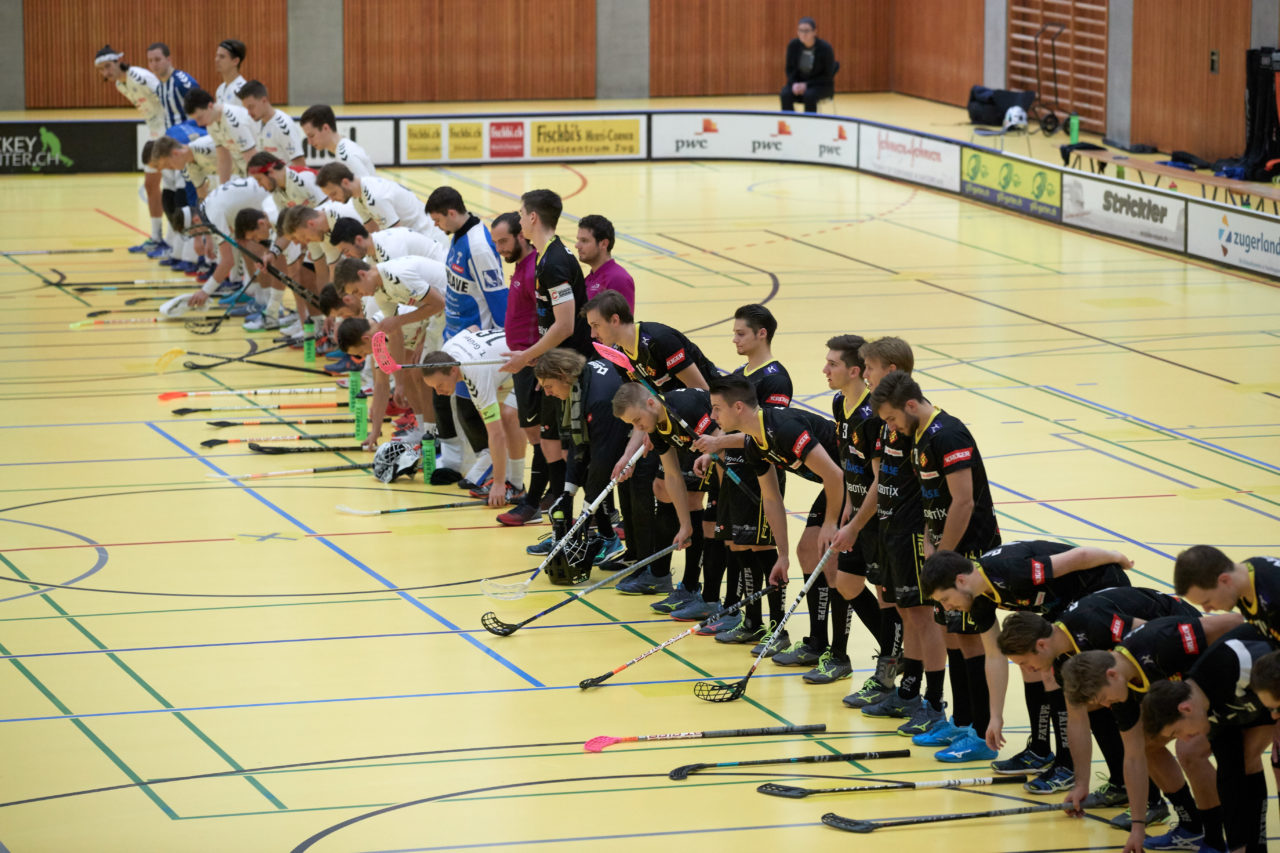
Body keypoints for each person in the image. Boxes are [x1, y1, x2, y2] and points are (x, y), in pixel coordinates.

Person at [923, 542, 1133, 789]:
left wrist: (1117, 556)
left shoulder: (1010, 570)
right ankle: (1040, 750)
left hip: (1099, 587)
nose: (947, 608)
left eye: (946, 599)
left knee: (1067, 677)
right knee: (1030, 662)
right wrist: (996, 717)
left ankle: (1070, 765)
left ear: (960, 580)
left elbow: (1081, 555)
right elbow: (994, 656)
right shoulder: (977, 597)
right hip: (1062, 603)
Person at [873, 369, 1001, 760]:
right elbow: (935, 500)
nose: (892, 427)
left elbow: (962, 501)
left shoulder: (947, 434)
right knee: (951, 636)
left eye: (893, 418)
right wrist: (931, 539)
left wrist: (943, 555)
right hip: (945, 553)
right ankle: (960, 722)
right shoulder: (919, 435)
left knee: (972, 639)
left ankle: (979, 734)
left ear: (911, 405)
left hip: (968, 555)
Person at [999, 587, 1206, 813]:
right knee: (1099, 707)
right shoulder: (1062, 663)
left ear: (1041, 645)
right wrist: (1081, 784)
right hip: (1134, 665)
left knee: (1158, 741)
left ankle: (1166, 806)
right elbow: (1076, 719)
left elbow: (1152, 635)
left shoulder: (1092, 622)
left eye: (1023, 662)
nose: (1027, 669)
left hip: (1178, 640)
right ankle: (1135, 792)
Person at [1061, 614, 1245, 853]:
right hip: (1194, 700)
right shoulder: (1122, 692)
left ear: (1111, 675)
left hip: (1239, 685)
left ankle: (1216, 839)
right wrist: (1138, 826)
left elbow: (1234, 623)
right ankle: (1192, 826)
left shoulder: (1160, 642)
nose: (1107, 705)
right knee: (1146, 744)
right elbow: (1133, 757)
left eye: (1104, 698)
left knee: (1189, 750)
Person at [585, 288, 718, 595]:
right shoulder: (622, 357)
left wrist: (706, 438)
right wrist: (627, 454)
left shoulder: (658, 340)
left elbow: (703, 391)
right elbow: (639, 407)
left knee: (691, 498)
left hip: (702, 421)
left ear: (615, 319)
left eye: (596, 325)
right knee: (663, 487)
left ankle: (691, 586)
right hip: (670, 422)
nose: (593, 333)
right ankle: (659, 574)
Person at [702, 375, 844, 654]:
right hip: (838, 481)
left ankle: (833, 650)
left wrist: (829, 523)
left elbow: (835, 475)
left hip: (855, 479)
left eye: (717, 408)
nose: (712, 415)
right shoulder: (756, 443)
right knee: (806, 552)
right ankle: (817, 644)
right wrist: (782, 554)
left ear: (739, 407)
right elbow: (771, 498)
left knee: (826, 558)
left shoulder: (784, 429)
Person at [692, 305, 791, 648]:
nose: (734, 338)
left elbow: (770, 432)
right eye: (734, 333)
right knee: (739, 547)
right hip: (733, 471)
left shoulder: (775, 377)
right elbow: (725, 421)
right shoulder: (739, 373)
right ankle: (752, 620)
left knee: (762, 548)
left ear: (761, 334)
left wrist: (718, 442)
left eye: (741, 333)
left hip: (759, 474)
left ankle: (779, 627)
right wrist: (712, 451)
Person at [499, 190, 592, 547]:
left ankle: (583, 531)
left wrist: (526, 356)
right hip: (553, 369)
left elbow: (565, 325)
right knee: (551, 446)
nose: (519, 220)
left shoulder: (553, 261)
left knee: (571, 453)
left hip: (570, 373)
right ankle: (560, 533)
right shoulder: (543, 258)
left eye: (521, 214)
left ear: (533, 218)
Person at [1139, 625, 1274, 853]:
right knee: (1242, 763)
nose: (1183, 738)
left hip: (1273, 683)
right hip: (1261, 701)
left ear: (1186, 708)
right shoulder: (1207, 711)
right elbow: (1229, 775)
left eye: (1176, 732)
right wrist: (1237, 846)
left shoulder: (1229, 664)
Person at [822, 335, 898, 692]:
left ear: (855, 371)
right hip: (856, 511)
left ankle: (888, 670)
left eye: (833, 364)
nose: (825, 370)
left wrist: (855, 523)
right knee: (849, 583)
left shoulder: (873, 416)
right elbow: (849, 462)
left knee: (886, 595)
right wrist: (845, 510)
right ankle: (890, 652)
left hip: (880, 517)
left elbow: (881, 478)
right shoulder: (841, 404)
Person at [613, 383, 722, 618]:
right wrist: (684, 525)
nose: (638, 428)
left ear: (651, 403)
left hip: (728, 458)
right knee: (664, 488)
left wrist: (708, 455)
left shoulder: (685, 408)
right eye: (632, 424)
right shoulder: (656, 425)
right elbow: (673, 475)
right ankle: (688, 589)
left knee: (716, 526)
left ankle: (699, 591)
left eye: (637, 420)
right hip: (702, 456)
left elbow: (721, 441)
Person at [536, 349, 640, 568]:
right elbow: (579, 446)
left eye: (548, 386)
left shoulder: (598, 399)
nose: (547, 393)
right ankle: (614, 542)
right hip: (619, 432)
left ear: (562, 375)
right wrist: (567, 493)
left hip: (645, 435)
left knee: (634, 498)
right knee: (591, 474)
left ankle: (643, 563)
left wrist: (583, 517)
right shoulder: (578, 384)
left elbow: (602, 460)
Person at [419, 330, 527, 507]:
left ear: (453, 370)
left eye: (440, 385)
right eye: (434, 388)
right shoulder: (448, 350)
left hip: (527, 360)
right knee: (503, 416)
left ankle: (515, 486)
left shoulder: (475, 375)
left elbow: (496, 434)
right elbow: (473, 328)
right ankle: (508, 480)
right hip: (506, 359)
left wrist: (498, 483)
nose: (439, 392)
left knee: (508, 418)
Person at [492, 212, 550, 527]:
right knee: (534, 433)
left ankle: (535, 502)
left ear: (521, 235)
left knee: (542, 435)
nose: (500, 248)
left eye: (503, 241)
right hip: (522, 363)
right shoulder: (519, 267)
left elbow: (550, 321)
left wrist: (540, 363)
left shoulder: (536, 270)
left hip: (534, 365)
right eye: (496, 243)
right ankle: (542, 497)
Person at [94, 45, 166, 254]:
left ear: (118, 61)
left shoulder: (140, 76)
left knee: (171, 189)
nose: (106, 72)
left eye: (108, 66)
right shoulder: (120, 85)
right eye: (101, 70)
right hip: (154, 134)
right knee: (151, 185)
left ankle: (177, 242)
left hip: (169, 134)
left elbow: (167, 97)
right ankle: (156, 237)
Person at [316, 163, 448, 250]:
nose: (332, 200)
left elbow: (396, 238)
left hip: (431, 241)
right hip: (416, 242)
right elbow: (372, 234)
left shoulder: (375, 197)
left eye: (333, 193)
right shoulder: (358, 198)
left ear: (345, 182)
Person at [1173, 545, 1280, 642]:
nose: (1206, 609)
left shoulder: (1273, 590)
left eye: (1207, 601)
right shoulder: (1244, 577)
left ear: (1224, 580)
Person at [183, 87, 259, 182]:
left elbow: (253, 159)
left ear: (210, 106)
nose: (199, 124)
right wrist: (223, 188)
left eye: (200, 117)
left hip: (263, 171)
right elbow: (224, 160)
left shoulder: (233, 122)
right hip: (246, 171)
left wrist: (253, 186)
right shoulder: (211, 123)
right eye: (196, 120)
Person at [238, 81, 305, 166]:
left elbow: (300, 165)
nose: (249, 112)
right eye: (246, 108)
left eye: (251, 107)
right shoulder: (254, 121)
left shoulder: (284, 127)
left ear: (264, 100)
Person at [300, 105, 377, 177]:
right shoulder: (344, 149)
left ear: (326, 128)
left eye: (312, 136)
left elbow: (366, 188)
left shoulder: (345, 156)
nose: (309, 142)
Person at [577, 214, 635, 308]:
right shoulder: (588, 279)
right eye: (578, 240)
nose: (577, 245)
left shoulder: (618, 279)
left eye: (584, 241)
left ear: (604, 244)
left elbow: (624, 322)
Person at [781, 17, 836, 113]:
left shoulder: (825, 48)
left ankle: (809, 126)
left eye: (807, 31)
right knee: (785, 94)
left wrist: (806, 85)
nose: (803, 34)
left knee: (809, 95)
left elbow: (827, 76)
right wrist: (794, 84)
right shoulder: (793, 45)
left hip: (821, 85)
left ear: (814, 32)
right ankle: (791, 123)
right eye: (800, 31)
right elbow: (789, 69)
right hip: (799, 83)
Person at [213, 39, 246, 107]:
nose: (217, 60)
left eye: (222, 57)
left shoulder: (243, 90)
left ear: (235, 61)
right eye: (217, 56)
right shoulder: (220, 89)